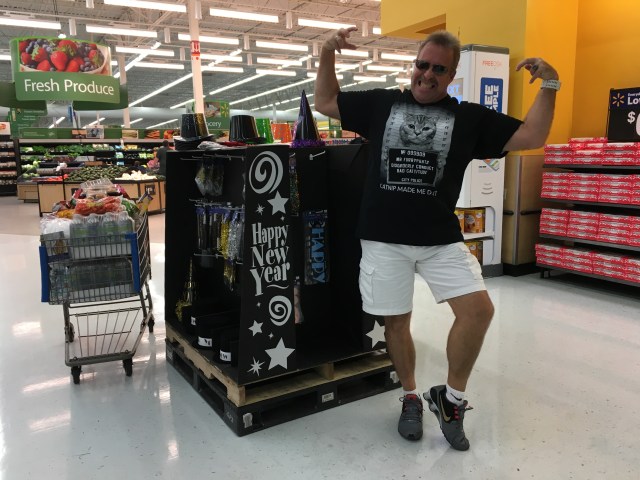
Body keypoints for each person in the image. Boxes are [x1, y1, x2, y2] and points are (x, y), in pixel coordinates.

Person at [314, 27, 558, 450]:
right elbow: (325, 101)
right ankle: (410, 396)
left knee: (478, 311)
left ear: (452, 75)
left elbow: (532, 136)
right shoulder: (382, 103)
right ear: (414, 65)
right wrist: (326, 53)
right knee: (396, 322)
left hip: (439, 237)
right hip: (383, 236)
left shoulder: (469, 118)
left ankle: (451, 399)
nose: (427, 75)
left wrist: (550, 84)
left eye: (438, 70)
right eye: (422, 65)